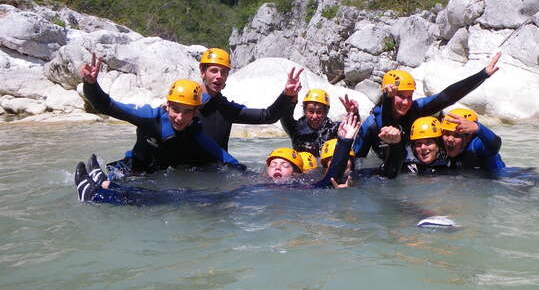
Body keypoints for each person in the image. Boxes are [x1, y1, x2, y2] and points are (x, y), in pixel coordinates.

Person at [73, 113, 361, 205]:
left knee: (176, 197)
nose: (276, 167)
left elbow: (328, 181)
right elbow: (233, 168)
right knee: (178, 194)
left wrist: (345, 140)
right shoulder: (258, 178)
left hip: (231, 205)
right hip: (229, 200)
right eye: (273, 163)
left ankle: (98, 196)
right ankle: (107, 185)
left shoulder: (300, 187)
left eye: (284, 165)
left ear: (296, 172)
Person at [80, 54, 241, 179]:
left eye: (187, 112)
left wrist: (248, 175)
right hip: (131, 170)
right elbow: (106, 106)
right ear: (167, 105)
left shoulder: (194, 130)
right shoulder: (149, 116)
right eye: (175, 109)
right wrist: (91, 84)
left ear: (195, 113)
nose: (179, 117)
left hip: (157, 175)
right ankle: (106, 181)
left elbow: (223, 156)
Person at [353, 53, 502, 161]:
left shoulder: (417, 109)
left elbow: (448, 96)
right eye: (400, 96)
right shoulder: (371, 125)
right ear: (387, 93)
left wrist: (482, 75)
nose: (405, 102)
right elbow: (357, 160)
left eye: (409, 96)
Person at [197, 48, 302, 151]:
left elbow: (268, 116)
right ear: (202, 71)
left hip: (217, 166)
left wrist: (287, 95)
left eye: (223, 72)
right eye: (214, 71)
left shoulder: (226, 108)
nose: (219, 76)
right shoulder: (186, 103)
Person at [280, 88, 360, 156]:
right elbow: (284, 116)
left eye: (319, 112)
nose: (314, 116)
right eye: (311, 111)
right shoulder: (295, 128)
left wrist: (353, 113)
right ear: (304, 111)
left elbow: (351, 128)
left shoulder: (333, 129)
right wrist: (291, 101)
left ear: (326, 112)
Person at [440, 108, 505, 170]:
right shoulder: (442, 144)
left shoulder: (477, 145)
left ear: (469, 137)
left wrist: (477, 128)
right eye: (447, 133)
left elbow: (495, 145)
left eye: (457, 135)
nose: (450, 139)